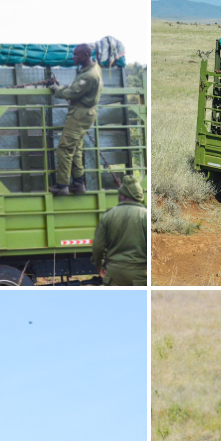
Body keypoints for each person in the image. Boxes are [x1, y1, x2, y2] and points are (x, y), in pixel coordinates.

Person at [49, 44, 103, 196]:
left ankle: (62, 186)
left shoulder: (88, 75)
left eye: (76, 55)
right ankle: (78, 183)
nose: (73, 57)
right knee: (75, 147)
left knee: (64, 148)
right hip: (84, 112)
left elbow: (73, 93)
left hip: (80, 114)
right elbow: (77, 88)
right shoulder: (92, 70)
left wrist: (56, 89)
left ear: (86, 55)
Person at [91, 172, 147, 286]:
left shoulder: (108, 215)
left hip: (114, 274)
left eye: (120, 194)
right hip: (140, 275)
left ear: (124, 196)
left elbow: (98, 247)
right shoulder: (145, 216)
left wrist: (99, 266)